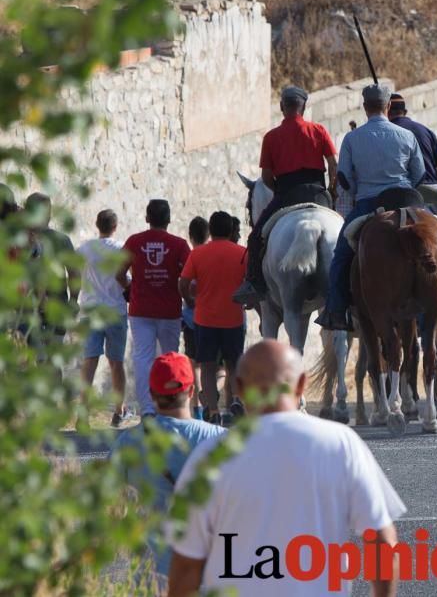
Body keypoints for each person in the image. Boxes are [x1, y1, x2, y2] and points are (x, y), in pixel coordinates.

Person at [167, 339, 405, 597]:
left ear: (239, 388)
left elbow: (186, 565)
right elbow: (383, 544)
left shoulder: (210, 456)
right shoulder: (341, 444)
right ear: (301, 385)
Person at [111, 351, 225, 588]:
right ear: (191, 392)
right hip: (206, 573)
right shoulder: (220, 441)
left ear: (152, 394)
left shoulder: (128, 442)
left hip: (149, 575)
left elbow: (110, 507)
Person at [316, 84, 426, 331]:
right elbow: (419, 174)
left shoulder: (352, 139)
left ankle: (336, 309)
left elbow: (343, 177)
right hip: (406, 199)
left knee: (342, 255)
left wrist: (357, 192)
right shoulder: (407, 136)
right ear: (388, 106)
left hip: (369, 202)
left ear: (365, 107)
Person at [233, 86, 338, 306]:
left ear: (282, 107)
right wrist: (331, 189)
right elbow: (333, 163)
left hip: (287, 194)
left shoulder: (271, 137)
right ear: (304, 107)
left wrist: (278, 189)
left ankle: (254, 284)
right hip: (318, 194)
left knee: (255, 238)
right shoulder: (318, 130)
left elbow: (267, 176)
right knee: (344, 235)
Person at [117, 199, 190, 418]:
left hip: (140, 310)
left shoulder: (134, 242)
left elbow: (118, 274)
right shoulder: (179, 245)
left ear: (147, 218)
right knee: (171, 359)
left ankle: (147, 409)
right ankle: (172, 406)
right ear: (169, 219)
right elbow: (188, 277)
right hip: (169, 311)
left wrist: (130, 289)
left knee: (142, 358)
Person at [179, 211, 247, 426]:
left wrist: (190, 301)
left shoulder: (198, 254)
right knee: (233, 363)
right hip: (233, 318)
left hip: (205, 319)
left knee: (207, 366)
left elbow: (183, 283)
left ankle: (213, 409)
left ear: (211, 230)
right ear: (229, 230)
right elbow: (250, 284)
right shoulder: (242, 253)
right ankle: (236, 399)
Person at [78, 209, 131, 427]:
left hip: (90, 309)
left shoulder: (85, 249)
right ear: (115, 227)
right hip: (115, 310)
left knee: (89, 361)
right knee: (116, 363)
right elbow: (125, 279)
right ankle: (119, 411)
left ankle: (82, 413)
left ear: (97, 224)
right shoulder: (120, 250)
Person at [25, 192, 79, 347]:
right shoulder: (61, 240)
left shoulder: (19, 239)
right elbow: (74, 273)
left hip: (25, 310)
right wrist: (73, 301)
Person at [388, 92, 437, 206]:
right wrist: (435, 185)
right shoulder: (426, 131)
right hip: (431, 190)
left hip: (404, 193)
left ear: (386, 112)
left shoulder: (387, 134)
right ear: (405, 112)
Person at [182, 217, 209, 420]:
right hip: (215, 317)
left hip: (192, 319)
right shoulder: (212, 256)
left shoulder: (191, 258)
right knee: (219, 367)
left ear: (190, 236)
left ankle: (198, 411)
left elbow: (183, 285)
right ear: (208, 235)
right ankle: (213, 399)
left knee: (195, 367)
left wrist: (189, 302)